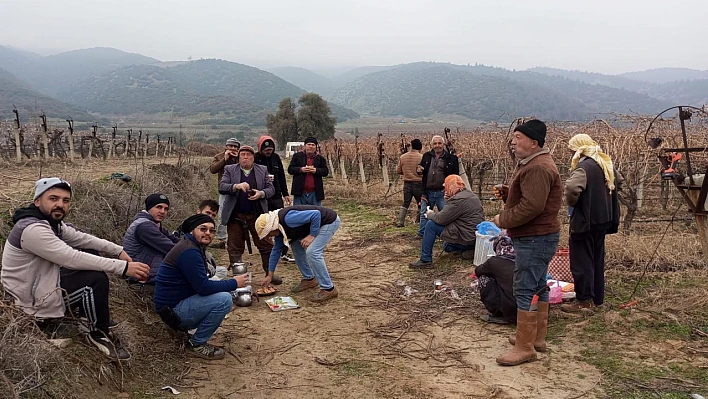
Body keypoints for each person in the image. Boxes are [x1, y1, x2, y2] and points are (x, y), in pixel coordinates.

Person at [1, 177, 150, 360]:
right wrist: (124, 267)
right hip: (28, 303)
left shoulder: (50, 223)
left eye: (65, 200)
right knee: (94, 280)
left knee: (89, 250)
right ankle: (98, 333)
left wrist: (118, 250)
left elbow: (82, 239)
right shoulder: (32, 229)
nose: (60, 205)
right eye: (53, 199)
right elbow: (72, 258)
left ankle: (91, 313)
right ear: (38, 201)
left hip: (39, 285)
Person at [492, 119, 561, 366]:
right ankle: (536, 338)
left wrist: (504, 218)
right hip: (539, 236)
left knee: (524, 287)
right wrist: (511, 195)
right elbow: (534, 199)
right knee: (539, 284)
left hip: (534, 237)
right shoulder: (536, 163)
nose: (513, 141)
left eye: (518, 137)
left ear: (533, 142)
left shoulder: (537, 167)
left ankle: (524, 347)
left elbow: (533, 206)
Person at [154, 214, 250, 360]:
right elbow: (203, 288)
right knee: (224, 299)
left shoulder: (191, 245)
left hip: (175, 305)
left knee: (222, 289)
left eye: (212, 231)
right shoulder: (189, 252)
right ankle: (197, 343)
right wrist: (234, 283)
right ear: (192, 230)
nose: (208, 233)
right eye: (203, 229)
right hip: (174, 311)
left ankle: (191, 331)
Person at [561, 134, 622, 313]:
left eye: (572, 149)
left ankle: (584, 300)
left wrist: (573, 203)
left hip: (585, 221)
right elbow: (619, 180)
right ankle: (597, 297)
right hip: (603, 219)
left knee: (581, 261)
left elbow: (572, 188)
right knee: (596, 258)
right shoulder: (604, 162)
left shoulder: (583, 167)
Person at [219, 145, 282, 285]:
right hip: (235, 216)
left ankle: (269, 274)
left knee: (266, 246)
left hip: (257, 216)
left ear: (253, 158)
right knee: (234, 247)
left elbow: (271, 189)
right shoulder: (230, 170)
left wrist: (261, 194)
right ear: (238, 157)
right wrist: (235, 186)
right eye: (243, 155)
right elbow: (222, 187)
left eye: (248, 155)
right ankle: (238, 278)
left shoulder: (262, 169)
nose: (245, 157)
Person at [255, 205, 340, 303]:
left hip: (328, 221)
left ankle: (329, 289)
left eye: (268, 234)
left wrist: (312, 235)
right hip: (316, 223)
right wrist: (270, 275)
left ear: (271, 227)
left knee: (313, 252)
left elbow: (316, 215)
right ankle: (309, 279)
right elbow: (276, 251)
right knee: (296, 246)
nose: (270, 237)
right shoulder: (279, 229)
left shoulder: (288, 219)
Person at [409, 175, 484, 269]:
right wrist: (449, 200)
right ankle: (470, 250)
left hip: (465, 236)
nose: (445, 190)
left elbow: (441, 219)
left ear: (451, 186)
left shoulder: (458, 200)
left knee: (431, 225)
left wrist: (430, 214)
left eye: (446, 187)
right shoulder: (471, 195)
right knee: (447, 246)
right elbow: (452, 214)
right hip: (473, 236)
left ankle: (425, 259)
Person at [122, 193, 179, 285]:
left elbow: (174, 239)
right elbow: (171, 248)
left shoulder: (154, 224)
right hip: (140, 278)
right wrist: (194, 252)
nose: (162, 211)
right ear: (149, 208)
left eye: (166, 209)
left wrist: (195, 244)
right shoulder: (145, 227)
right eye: (159, 207)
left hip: (149, 273)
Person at [255, 135, 295, 263]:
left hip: (276, 195)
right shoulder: (255, 159)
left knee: (281, 223)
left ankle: (283, 252)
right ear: (260, 148)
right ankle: (268, 251)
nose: (269, 151)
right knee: (265, 223)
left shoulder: (276, 158)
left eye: (271, 149)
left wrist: (285, 193)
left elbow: (282, 176)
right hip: (262, 197)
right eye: (266, 149)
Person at [417, 135, 459, 238]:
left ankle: (448, 234)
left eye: (439, 143)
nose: (437, 146)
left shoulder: (451, 158)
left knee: (446, 214)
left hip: (443, 192)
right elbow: (421, 169)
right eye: (435, 143)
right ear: (432, 145)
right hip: (427, 191)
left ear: (443, 144)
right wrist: (418, 170)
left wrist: (450, 189)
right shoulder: (426, 156)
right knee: (424, 214)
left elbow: (455, 175)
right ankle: (422, 234)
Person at [174, 199, 228, 280]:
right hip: (184, 265)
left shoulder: (207, 227)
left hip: (198, 262)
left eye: (213, 215)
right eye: (208, 213)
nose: (210, 217)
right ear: (198, 212)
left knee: (222, 271)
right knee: (215, 279)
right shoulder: (188, 226)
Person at [476, 235, 517, 325]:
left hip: (511, 310)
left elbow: (478, 271)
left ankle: (498, 313)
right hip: (530, 308)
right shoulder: (524, 259)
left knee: (484, 278)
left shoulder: (494, 262)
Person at [209, 138, 241, 248]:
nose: (232, 148)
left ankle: (236, 237)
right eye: (230, 146)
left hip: (238, 190)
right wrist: (224, 159)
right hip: (224, 189)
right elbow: (213, 169)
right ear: (226, 146)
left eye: (235, 147)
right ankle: (222, 238)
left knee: (238, 214)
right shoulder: (219, 156)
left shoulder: (240, 156)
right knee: (222, 213)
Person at [288, 137, 329, 206]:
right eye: (308, 144)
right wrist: (301, 169)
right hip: (299, 192)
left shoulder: (320, 159)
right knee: (299, 214)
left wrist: (316, 170)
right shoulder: (297, 156)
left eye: (313, 145)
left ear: (316, 147)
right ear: (305, 146)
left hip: (315, 192)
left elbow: (325, 171)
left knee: (316, 214)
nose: (311, 146)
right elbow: (290, 169)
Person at [395, 138, 424, 228]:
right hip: (418, 184)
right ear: (420, 147)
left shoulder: (403, 157)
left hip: (407, 183)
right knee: (420, 203)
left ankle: (400, 222)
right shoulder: (421, 157)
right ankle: (418, 221)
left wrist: (406, 173)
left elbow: (398, 170)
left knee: (406, 203)